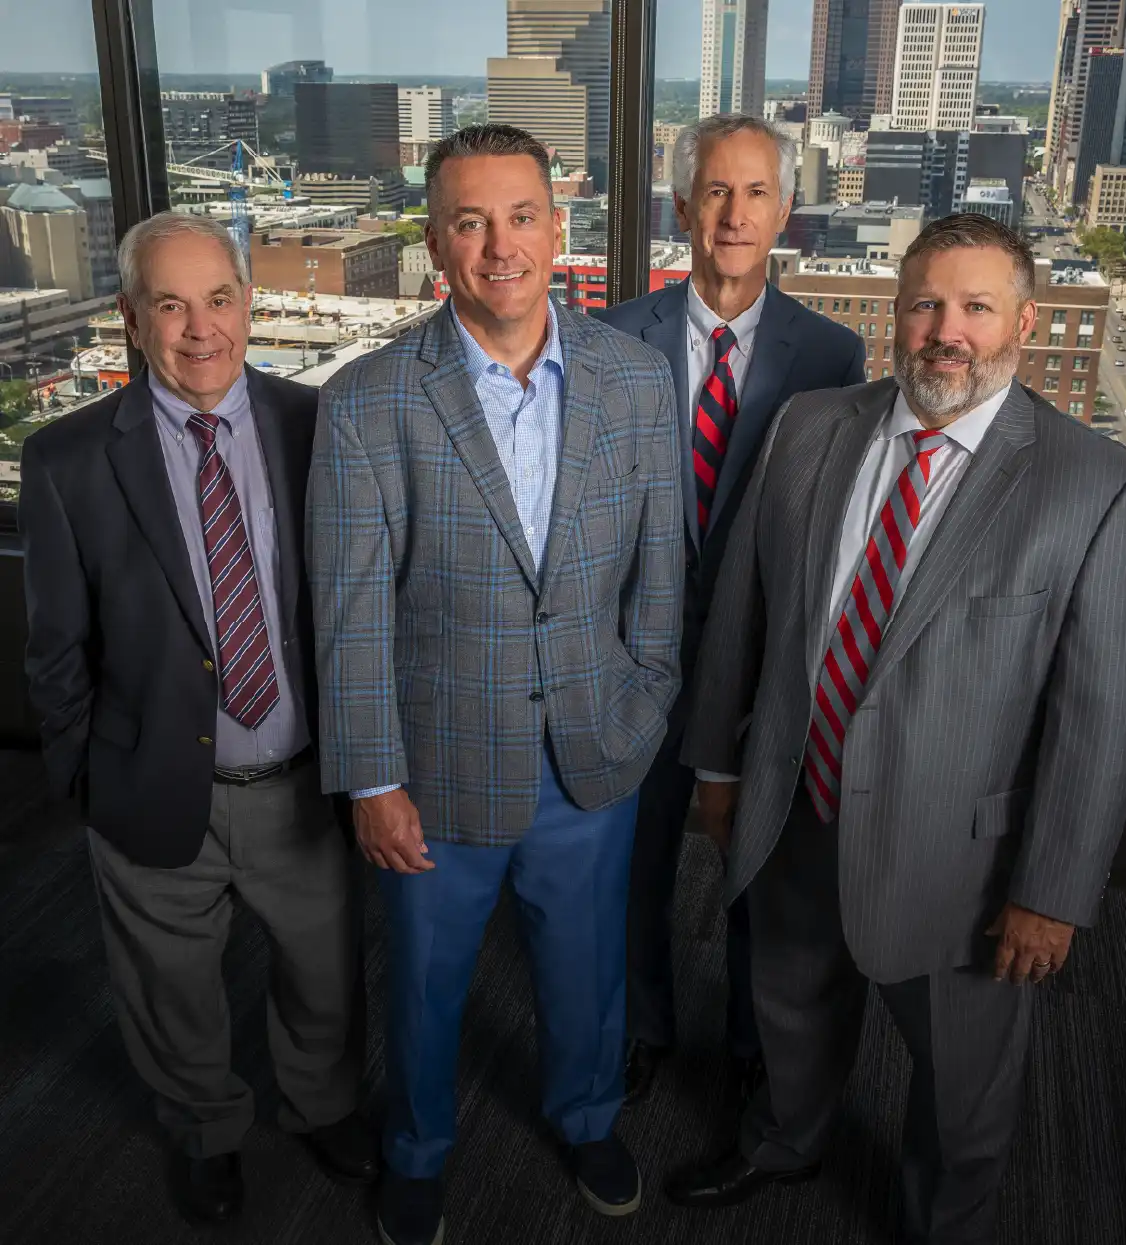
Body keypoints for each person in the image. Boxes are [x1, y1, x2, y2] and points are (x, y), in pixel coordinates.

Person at [666, 213, 1126, 1244]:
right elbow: (743, 617)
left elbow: (1104, 714)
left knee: (963, 1081)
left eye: (977, 307)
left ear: (1023, 321)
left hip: (963, 865)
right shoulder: (810, 428)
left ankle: (945, 1222)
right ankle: (783, 1141)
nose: (949, 330)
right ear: (895, 317)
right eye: (927, 303)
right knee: (789, 1005)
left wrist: (1052, 891)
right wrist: (719, 767)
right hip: (796, 807)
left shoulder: (1098, 484)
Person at [306, 123, 683, 1245]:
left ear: (558, 228)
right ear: (436, 242)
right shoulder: (367, 401)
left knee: (586, 971)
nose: (499, 245)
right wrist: (372, 780)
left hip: (592, 748)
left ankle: (587, 1117)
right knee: (423, 986)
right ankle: (417, 1151)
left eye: (520, 216)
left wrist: (644, 700)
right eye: (469, 221)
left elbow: (663, 573)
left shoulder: (635, 374)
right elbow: (351, 615)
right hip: (434, 771)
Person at [18, 213, 376, 1224]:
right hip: (152, 785)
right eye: (169, 305)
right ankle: (205, 1128)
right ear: (133, 320)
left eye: (218, 299)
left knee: (325, 974)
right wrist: (87, 783)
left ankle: (321, 1106)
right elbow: (55, 651)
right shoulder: (67, 461)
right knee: (170, 991)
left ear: (249, 303)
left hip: (300, 779)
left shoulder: (318, 426)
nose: (200, 328)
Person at [597, 113, 865, 1107]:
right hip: (634, 658)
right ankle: (642, 1024)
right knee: (636, 869)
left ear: (786, 214)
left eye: (757, 193)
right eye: (717, 190)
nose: (736, 212)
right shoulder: (612, 337)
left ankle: (756, 1047)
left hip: (758, 668)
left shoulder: (833, 354)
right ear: (682, 206)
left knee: (757, 868)